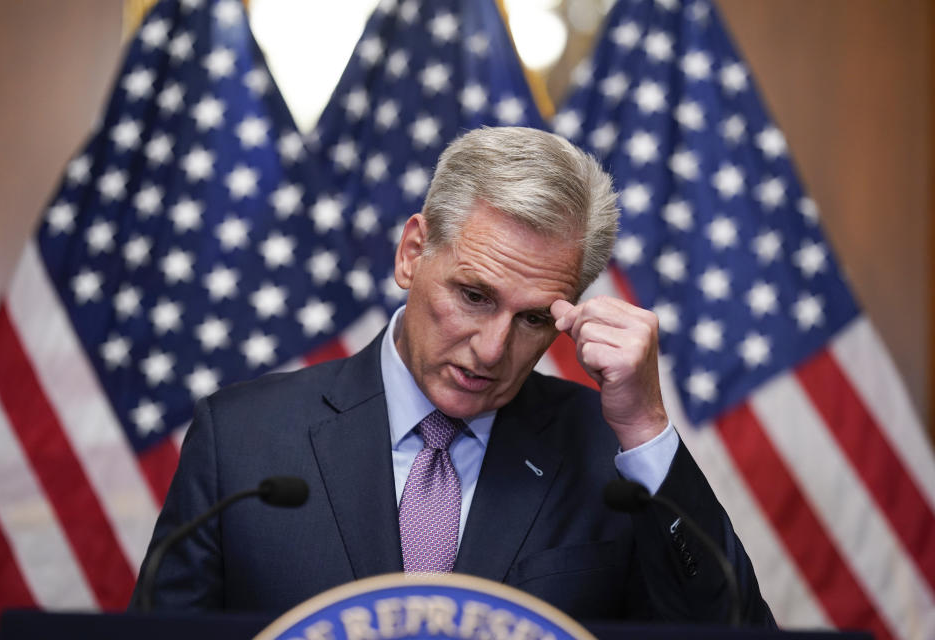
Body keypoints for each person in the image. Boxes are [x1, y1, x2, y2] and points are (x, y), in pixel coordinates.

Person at [131, 126, 774, 625]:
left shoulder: (610, 453)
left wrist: (645, 428)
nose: (492, 351)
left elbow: (735, 634)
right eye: (473, 296)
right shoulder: (242, 442)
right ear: (413, 254)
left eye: (532, 320)